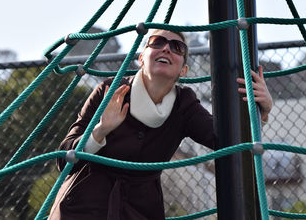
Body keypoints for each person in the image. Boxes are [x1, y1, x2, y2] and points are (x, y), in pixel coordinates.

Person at [48, 29, 273, 220]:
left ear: (183, 70)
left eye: (177, 48)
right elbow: (63, 158)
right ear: (141, 58)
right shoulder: (109, 91)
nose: (167, 48)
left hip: (140, 210)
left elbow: (228, 141)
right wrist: (100, 130)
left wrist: (261, 111)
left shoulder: (184, 104)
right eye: (157, 42)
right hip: (83, 207)